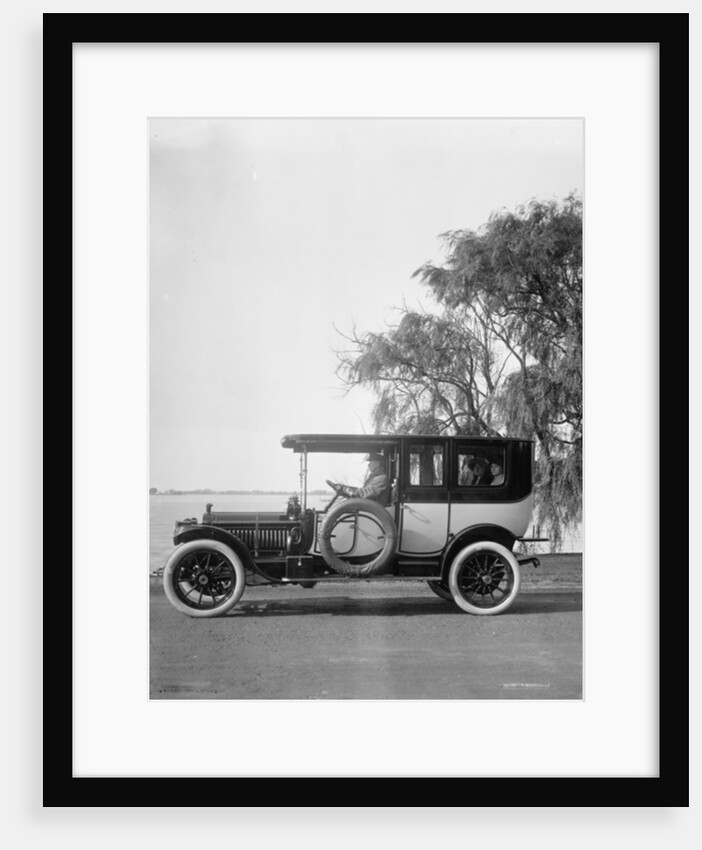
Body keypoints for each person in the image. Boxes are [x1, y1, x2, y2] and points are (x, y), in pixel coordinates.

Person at [327, 453, 391, 506]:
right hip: (369, 511)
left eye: (370, 462)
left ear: (377, 464)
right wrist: (345, 488)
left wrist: (345, 489)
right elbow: (362, 491)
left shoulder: (382, 479)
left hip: (374, 513)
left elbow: (364, 493)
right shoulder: (375, 478)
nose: (368, 465)